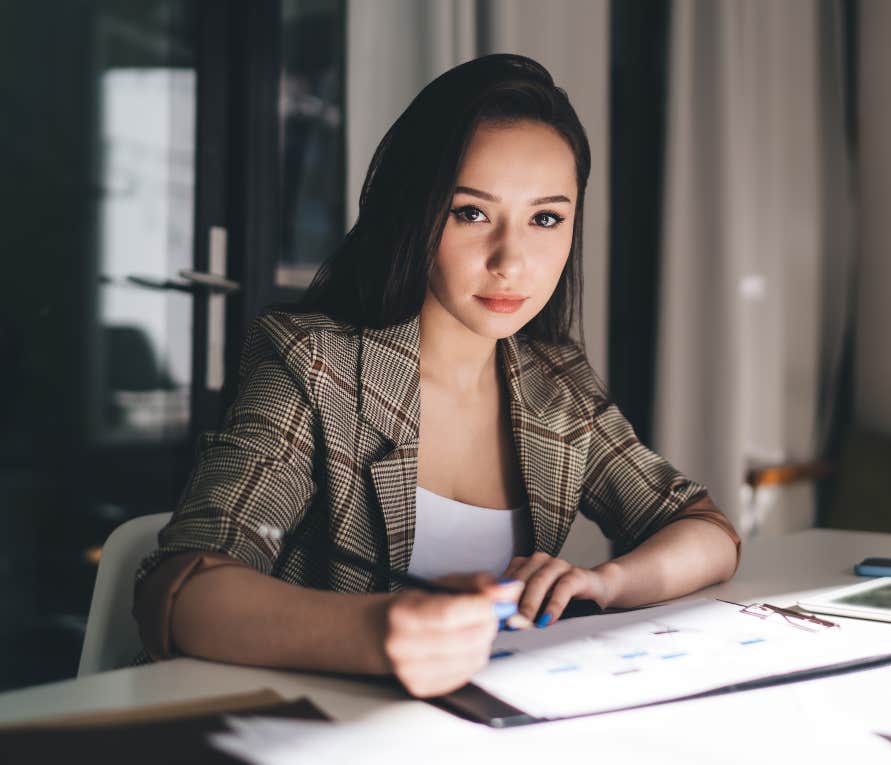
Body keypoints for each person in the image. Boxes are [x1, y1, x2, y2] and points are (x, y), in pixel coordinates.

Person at [133, 54, 740, 698]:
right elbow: (178, 592)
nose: (511, 261)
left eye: (545, 218)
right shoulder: (314, 363)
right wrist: (380, 631)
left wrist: (606, 582)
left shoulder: (554, 383)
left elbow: (707, 532)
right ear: (416, 214)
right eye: (471, 213)